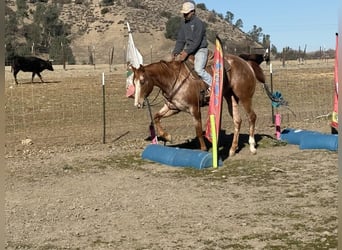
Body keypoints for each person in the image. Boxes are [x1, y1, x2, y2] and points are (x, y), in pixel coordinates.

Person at [172, 1, 212, 89]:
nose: (184, 15)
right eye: (184, 14)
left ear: (193, 12)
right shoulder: (184, 24)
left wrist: (186, 52)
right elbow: (181, 39)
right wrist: (176, 51)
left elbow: (197, 41)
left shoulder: (199, 23)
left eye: (186, 14)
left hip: (200, 49)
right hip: (190, 50)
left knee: (198, 69)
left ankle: (213, 86)